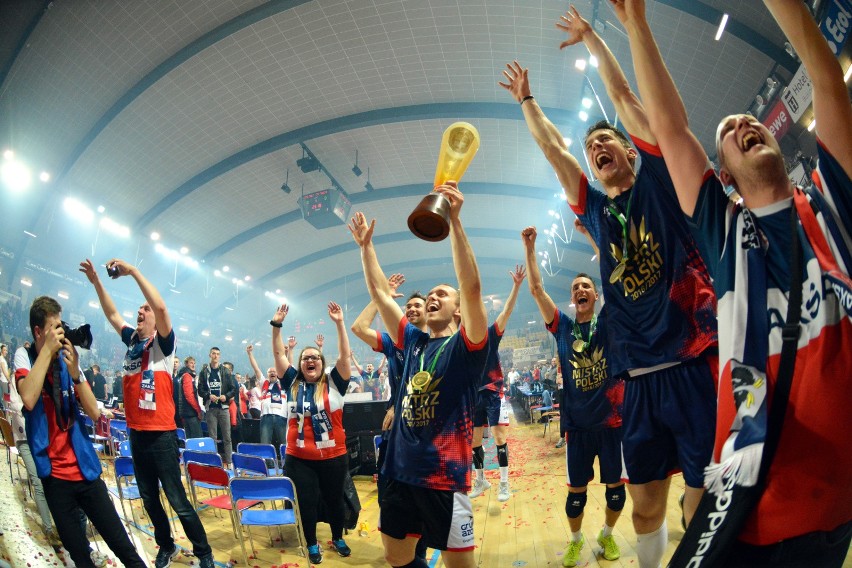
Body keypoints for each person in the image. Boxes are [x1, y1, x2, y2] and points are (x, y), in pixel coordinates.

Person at [612, 0, 852, 564]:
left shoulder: (832, 208)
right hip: (751, 510)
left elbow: (827, 80)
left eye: (746, 121)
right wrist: (637, 26)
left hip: (837, 513)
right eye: (728, 131)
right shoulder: (725, 236)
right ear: (723, 174)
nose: (742, 123)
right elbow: (669, 128)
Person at [501, 8, 718, 566]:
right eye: (592, 147)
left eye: (606, 141)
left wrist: (596, 37)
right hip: (639, 381)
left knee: (702, 506)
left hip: (695, 363)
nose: (596, 148)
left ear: (628, 152)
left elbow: (625, 101)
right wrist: (528, 102)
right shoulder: (596, 212)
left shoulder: (662, 184)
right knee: (645, 511)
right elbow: (554, 150)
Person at [348, 181, 489, 568]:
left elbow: (472, 288)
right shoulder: (411, 341)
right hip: (398, 473)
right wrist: (366, 248)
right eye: (433, 295)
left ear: (458, 312)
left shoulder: (466, 348)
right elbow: (380, 293)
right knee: (398, 559)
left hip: (444, 477)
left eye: (444, 294)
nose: (434, 297)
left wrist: (455, 223)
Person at [80, 258, 215, 568]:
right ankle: (166, 545)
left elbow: (163, 309)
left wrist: (134, 272)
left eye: (145, 310)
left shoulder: (164, 346)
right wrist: (97, 283)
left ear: (155, 320)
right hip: (137, 436)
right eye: (139, 310)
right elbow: (112, 314)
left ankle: (204, 551)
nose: (140, 312)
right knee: (150, 500)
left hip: (163, 438)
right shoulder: (132, 342)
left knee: (178, 501)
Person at [14, 296, 146, 568]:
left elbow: (95, 412)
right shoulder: (24, 355)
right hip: (55, 478)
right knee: (80, 557)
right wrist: (46, 352)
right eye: (54, 328)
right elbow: (28, 397)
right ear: (38, 331)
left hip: (85, 470)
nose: (60, 334)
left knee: (124, 548)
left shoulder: (67, 360)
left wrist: (75, 371)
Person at [523, 226, 626, 566]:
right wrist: (530, 247)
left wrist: (593, 237)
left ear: (595, 297)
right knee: (576, 499)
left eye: (586, 287)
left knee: (616, 494)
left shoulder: (608, 322)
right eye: (575, 288)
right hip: (579, 427)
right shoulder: (564, 329)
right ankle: (576, 541)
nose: (581, 289)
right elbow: (536, 289)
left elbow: (616, 274)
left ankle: (607, 536)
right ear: (572, 299)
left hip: (612, 424)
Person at [350, 274, 431, 561]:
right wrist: (380, 297)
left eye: (418, 306)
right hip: (395, 434)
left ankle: (417, 554)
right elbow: (358, 327)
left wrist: (399, 405)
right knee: (391, 495)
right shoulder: (395, 344)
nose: (411, 309)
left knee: (420, 497)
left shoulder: (437, 344)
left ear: (429, 311)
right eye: (407, 306)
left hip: (424, 433)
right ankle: (406, 553)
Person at [271, 301, 353, 564]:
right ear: (300, 364)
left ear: (322, 362)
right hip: (299, 459)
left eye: (315, 357)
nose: (310, 360)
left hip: (333, 457)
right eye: (305, 357)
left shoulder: (335, 383)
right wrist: (277, 326)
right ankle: (311, 543)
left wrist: (340, 324)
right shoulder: (292, 383)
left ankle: (338, 537)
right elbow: (278, 355)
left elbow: (344, 355)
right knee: (305, 503)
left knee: (334, 501)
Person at [469, 265, 526, 503]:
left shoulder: (492, 333)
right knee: (474, 442)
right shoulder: (465, 338)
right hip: (474, 396)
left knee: (499, 438)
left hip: (493, 392)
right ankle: (481, 480)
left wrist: (516, 286)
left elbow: (508, 310)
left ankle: (504, 482)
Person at [197, 346, 235, 467]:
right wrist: (208, 395)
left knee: (227, 437)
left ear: (220, 356)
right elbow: (200, 390)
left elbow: (233, 389)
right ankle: (214, 463)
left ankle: (229, 462)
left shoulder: (226, 371)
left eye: (218, 354)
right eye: (213, 353)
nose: (215, 356)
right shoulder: (203, 372)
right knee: (212, 437)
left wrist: (226, 396)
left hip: (224, 408)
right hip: (211, 408)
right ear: (210, 355)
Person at [247, 343, 287, 451]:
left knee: (284, 444)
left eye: (274, 371)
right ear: (267, 374)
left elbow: (285, 367)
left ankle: (287, 465)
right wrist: (250, 354)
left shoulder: (283, 383)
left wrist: (286, 353)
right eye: (270, 372)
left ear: (278, 373)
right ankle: (268, 464)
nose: (273, 373)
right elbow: (256, 369)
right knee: (265, 444)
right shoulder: (264, 383)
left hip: (281, 417)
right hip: (265, 417)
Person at [174, 356, 203, 439]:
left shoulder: (182, 375)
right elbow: (189, 395)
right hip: (191, 413)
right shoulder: (187, 376)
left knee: (189, 439)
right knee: (196, 439)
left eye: (194, 363)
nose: (193, 365)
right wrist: (198, 410)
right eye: (191, 363)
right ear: (186, 364)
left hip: (186, 412)